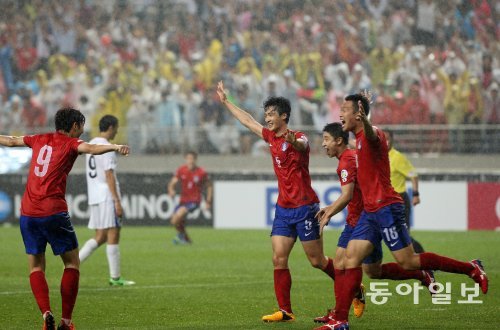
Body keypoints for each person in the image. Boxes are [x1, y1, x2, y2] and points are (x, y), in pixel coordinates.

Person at [315, 93, 488, 330]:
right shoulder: (358, 139)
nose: (340, 114)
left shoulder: (372, 134)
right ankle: (341, 320)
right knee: (354, 262)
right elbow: (357, 136)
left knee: (408, 261)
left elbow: (373, 132)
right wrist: (364, 112)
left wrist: (365, 118)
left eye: (344, 110)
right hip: (370, 212)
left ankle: (471, 268)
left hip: (386, 206)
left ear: (357, 114)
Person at [216, 81, 336, 323]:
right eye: (266, 114)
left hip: (304, 208)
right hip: (283, 209)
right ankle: (285, 311)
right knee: (278, 258)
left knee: (316, 261)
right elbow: (248, 120)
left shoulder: (299, 137)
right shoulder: (270, 136)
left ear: (284, 116)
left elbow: (301, 144)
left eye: (272, 114)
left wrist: (293, 141)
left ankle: (353, 288)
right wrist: (227, 102)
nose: (267, 118)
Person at [0, 108, 130, 330]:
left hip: (28, 212)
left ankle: (46, 313)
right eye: (81, 126)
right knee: (71, 263)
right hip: (53, 211)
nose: (81, 131)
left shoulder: (39, 138)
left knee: (35, 267)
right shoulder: (69, 144)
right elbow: (91, 148)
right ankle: (66, 322)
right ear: (75, 125)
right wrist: (115, 147)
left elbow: (11, 141)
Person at [314, 123, 433, 326]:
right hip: (359, 216)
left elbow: (347, 195)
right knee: (372, 271)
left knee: (344, 264)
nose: (323, 144)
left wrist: (330, 212)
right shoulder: (349, 155)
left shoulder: (347, 161)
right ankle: (419, 273)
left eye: (326, 139)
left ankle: (339, 316)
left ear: (338, 141)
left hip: (365, 219)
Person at [78, 115, 135, 286]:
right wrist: (117, 201)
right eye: (116, 127)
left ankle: (73, 265)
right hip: (106, 196)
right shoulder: (107, 147)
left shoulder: (92, 143)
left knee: (101, 236)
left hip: (95, 195)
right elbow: (109, 174)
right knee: (113, 233)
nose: (117, 131)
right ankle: (115, 277)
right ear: (110, 127)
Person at [384, 129, 425, 253]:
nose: (385, 142)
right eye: (382, 139)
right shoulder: (379, 156)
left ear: (392, 140)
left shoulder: (397, 157)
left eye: (387, 139)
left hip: (399, 200)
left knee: (403, 235)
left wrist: (416, 194)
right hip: (385, 202)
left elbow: (413, 175)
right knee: (393, 234)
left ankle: (424, 258)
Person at [167, 150, 213, 244]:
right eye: (188, 159)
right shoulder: (181, 170)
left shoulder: (201, 172)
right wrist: (171, 190)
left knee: (180, 214)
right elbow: (172, 183)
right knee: (174, 221)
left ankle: (181, 237)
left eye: (192, 159)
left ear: (196, 160)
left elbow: (209, 186)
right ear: (185, 159)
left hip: (194, 201)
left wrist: (208, 201)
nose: (190, 161)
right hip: (183, 201)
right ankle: (185, 238)